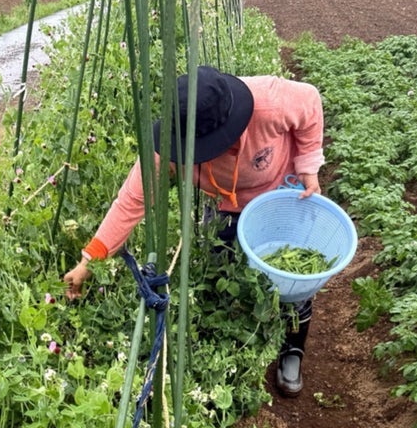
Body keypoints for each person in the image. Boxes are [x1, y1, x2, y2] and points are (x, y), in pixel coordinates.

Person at [63, 65, 326, 397]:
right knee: (225, 274)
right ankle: (241, 341)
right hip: (227, 207)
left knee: (293, 279)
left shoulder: (269, 101)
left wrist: (308, 167)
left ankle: (292, 348)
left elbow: (310, 103)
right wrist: (89, 261)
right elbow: (131, 201)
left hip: (282, 195)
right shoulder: (170, 146)